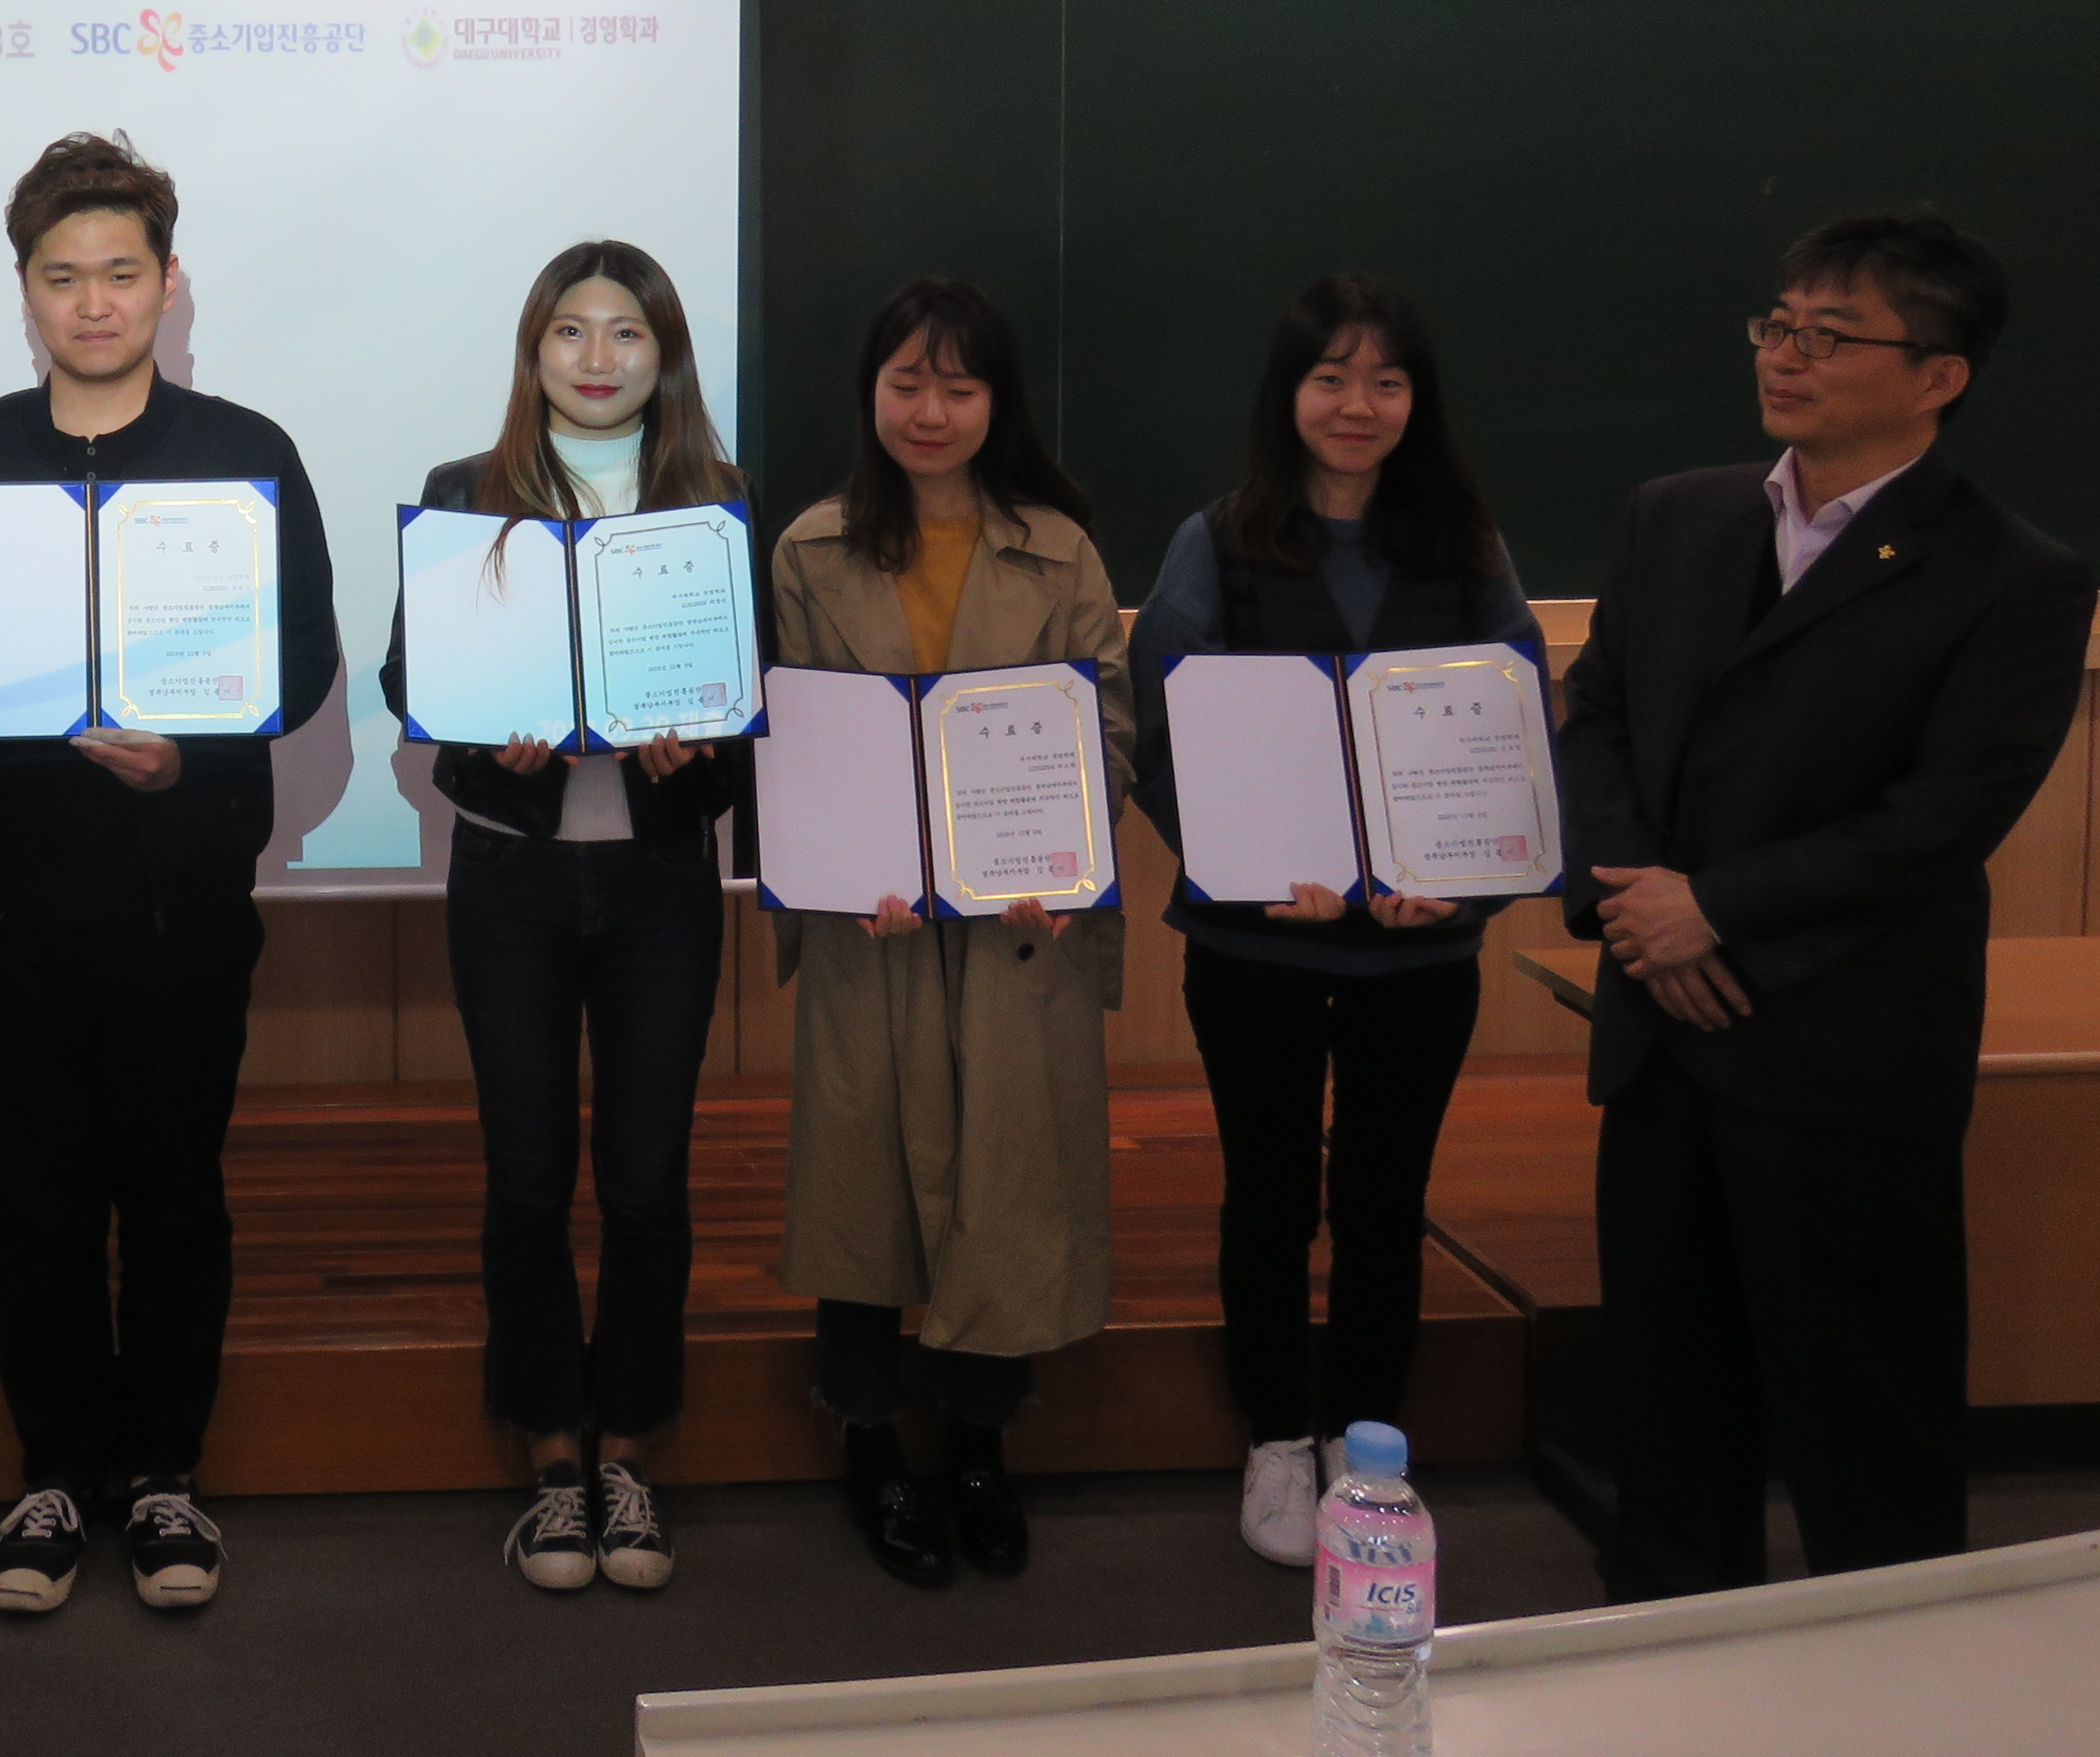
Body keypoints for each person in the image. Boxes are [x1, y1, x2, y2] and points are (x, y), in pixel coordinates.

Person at [1563, 211, 2093, 1597]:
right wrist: (1641, 914)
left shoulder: (2016, 577)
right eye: (1780, 325)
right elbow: (1598, 719)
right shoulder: (1679, 516)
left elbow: (1940, 820)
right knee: (1668, 1392)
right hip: (1664, 1033)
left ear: (1939, 377)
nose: (1786, 356)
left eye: (1832, 335)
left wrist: (1715, 910)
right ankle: (1669, 1640)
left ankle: (1891, 1666)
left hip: (1843, 1048)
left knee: (1866, 1417)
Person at [0, 131, 338, 1616]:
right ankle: (57, 1476)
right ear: (25, 289)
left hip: (180, 905)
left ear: (168, 282)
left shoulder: (245, 454)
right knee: (39, 1210)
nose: (93, 303)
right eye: (62, 276)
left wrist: (184, 759)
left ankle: (166, 1477)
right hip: (8, 909)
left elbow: (303, 661)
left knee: (176, 1198)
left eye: (120, 274)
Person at [1128, 277, 1539, 1568]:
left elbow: (1516, 730)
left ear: (1419, 402)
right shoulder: (1216, 542)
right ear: (1288, 395)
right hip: (1256, 948)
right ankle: (1272, 1438)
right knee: (1268, 1196)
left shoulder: (1468, 546)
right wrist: (1250, 861)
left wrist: (1465, 883)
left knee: (1383, 1201)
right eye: (1331, 378)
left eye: (1387, 381)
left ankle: (1368, 1449)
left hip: (1421, 953)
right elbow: (1163, 737)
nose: (1358, 405)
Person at [379, 243, 751, 1595]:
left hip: (662, 884)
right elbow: (408, 674)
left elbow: (751, 699)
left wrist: (699, 747)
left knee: (648, 1177)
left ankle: (630, 1450)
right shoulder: (464, 495)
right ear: (534, 351)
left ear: (666, 355)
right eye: (572, 333)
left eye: (627, 334)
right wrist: (490, 732)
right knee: (528, 1173)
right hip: (513, 880)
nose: (599, 360)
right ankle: (550, 1455)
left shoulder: (716, 502)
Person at [767, 277, 1129, 1591]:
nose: (931, 411)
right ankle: (870, 1443)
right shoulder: (809, 550)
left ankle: (981, 1447)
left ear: (997, 403)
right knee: (864, 1188)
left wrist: (1063, 854)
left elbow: (1108, 732)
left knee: (1008, 1186)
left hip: (1014, 933)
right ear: (871, 393)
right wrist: (846, 857)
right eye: (907, 383)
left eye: (959, 387)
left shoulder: (1062, 551)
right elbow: (801, 743)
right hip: (870, 928)